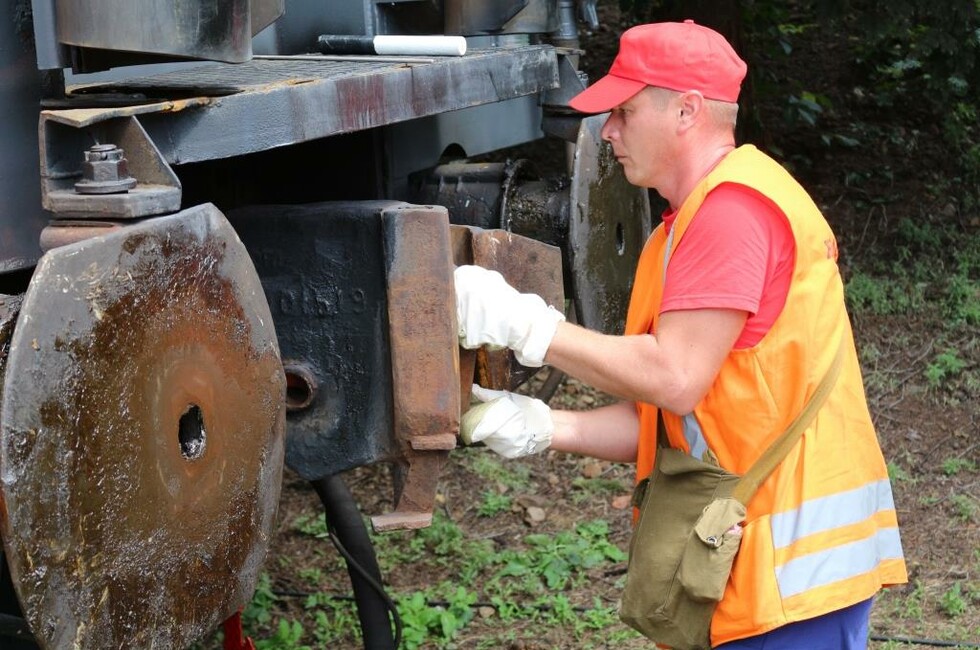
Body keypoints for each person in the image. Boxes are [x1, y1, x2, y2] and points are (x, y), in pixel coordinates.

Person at [454, 19, 908, 650]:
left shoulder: (730, 215)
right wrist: (547, 428)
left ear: (687, 110)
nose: (608, 131)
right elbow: (684, 419)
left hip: (784, 586)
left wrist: (529, 328)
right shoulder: (697, 218)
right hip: (762, 574)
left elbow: (673, 377)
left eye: (625, 111)